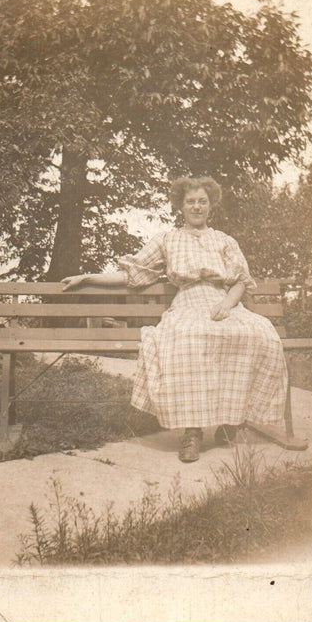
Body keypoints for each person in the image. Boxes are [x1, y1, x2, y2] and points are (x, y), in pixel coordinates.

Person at [61, 176, 288, 463]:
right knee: (186, 339)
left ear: (211, 205)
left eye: (202, 202)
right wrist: (88, 276)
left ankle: (231, 421)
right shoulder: (167, 240)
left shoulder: (224, 240)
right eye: (190, 202)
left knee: (256, 335)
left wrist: (227, 305)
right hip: (189, 301)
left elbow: (241, 280)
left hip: (223, 301)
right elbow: (133, 274)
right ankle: (192, 431)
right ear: (180, 206)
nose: (197, 207)